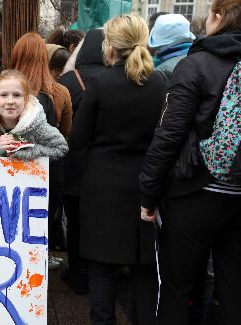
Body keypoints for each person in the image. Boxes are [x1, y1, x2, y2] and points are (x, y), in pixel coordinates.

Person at [139, 0, 241, 323]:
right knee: (237, 289)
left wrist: (149, 194)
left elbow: (169, 135)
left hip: (195, 190)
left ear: (217, 16)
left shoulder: (197, 63)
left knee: (177, 286)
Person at [69, 14, 166, 325]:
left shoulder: (100, 85)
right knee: (144, 271)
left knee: (101, 271)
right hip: (146, 187)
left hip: (103, 190)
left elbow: (78, 140)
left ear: (110, 47)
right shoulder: (161, 83)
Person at [10, 33, 72, 268]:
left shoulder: (4, 90)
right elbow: (62, 136)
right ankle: (37, 264)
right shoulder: (50, 96)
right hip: (44, 172)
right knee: (37, 222)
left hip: (12, 169)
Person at [57, 28, 107, 295]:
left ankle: (78, 272)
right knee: (100, 222)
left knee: (74, 222)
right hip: (106, 165)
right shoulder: (117, 78)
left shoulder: (68, 80)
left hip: (74, 164)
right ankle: (101, 272)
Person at [0, 69, 68, 160]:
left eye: (17, 95)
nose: (10, 101)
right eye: (4, 95)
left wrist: (30, 152)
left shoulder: (35, 123)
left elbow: (61, 148)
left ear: (26, 99)